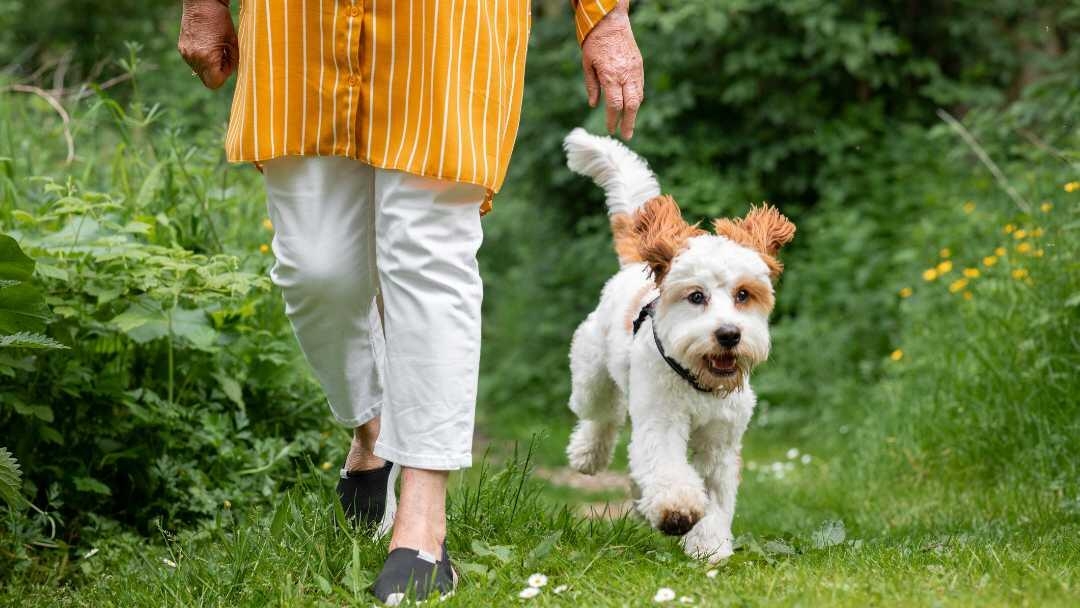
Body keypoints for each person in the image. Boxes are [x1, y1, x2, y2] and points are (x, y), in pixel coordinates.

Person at [178, 0, 643, 602]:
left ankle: (422, 529)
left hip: (449, 24)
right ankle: (373, 435)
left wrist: (605, 15)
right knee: (314, 270)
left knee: (429, 250)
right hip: (299, 26)